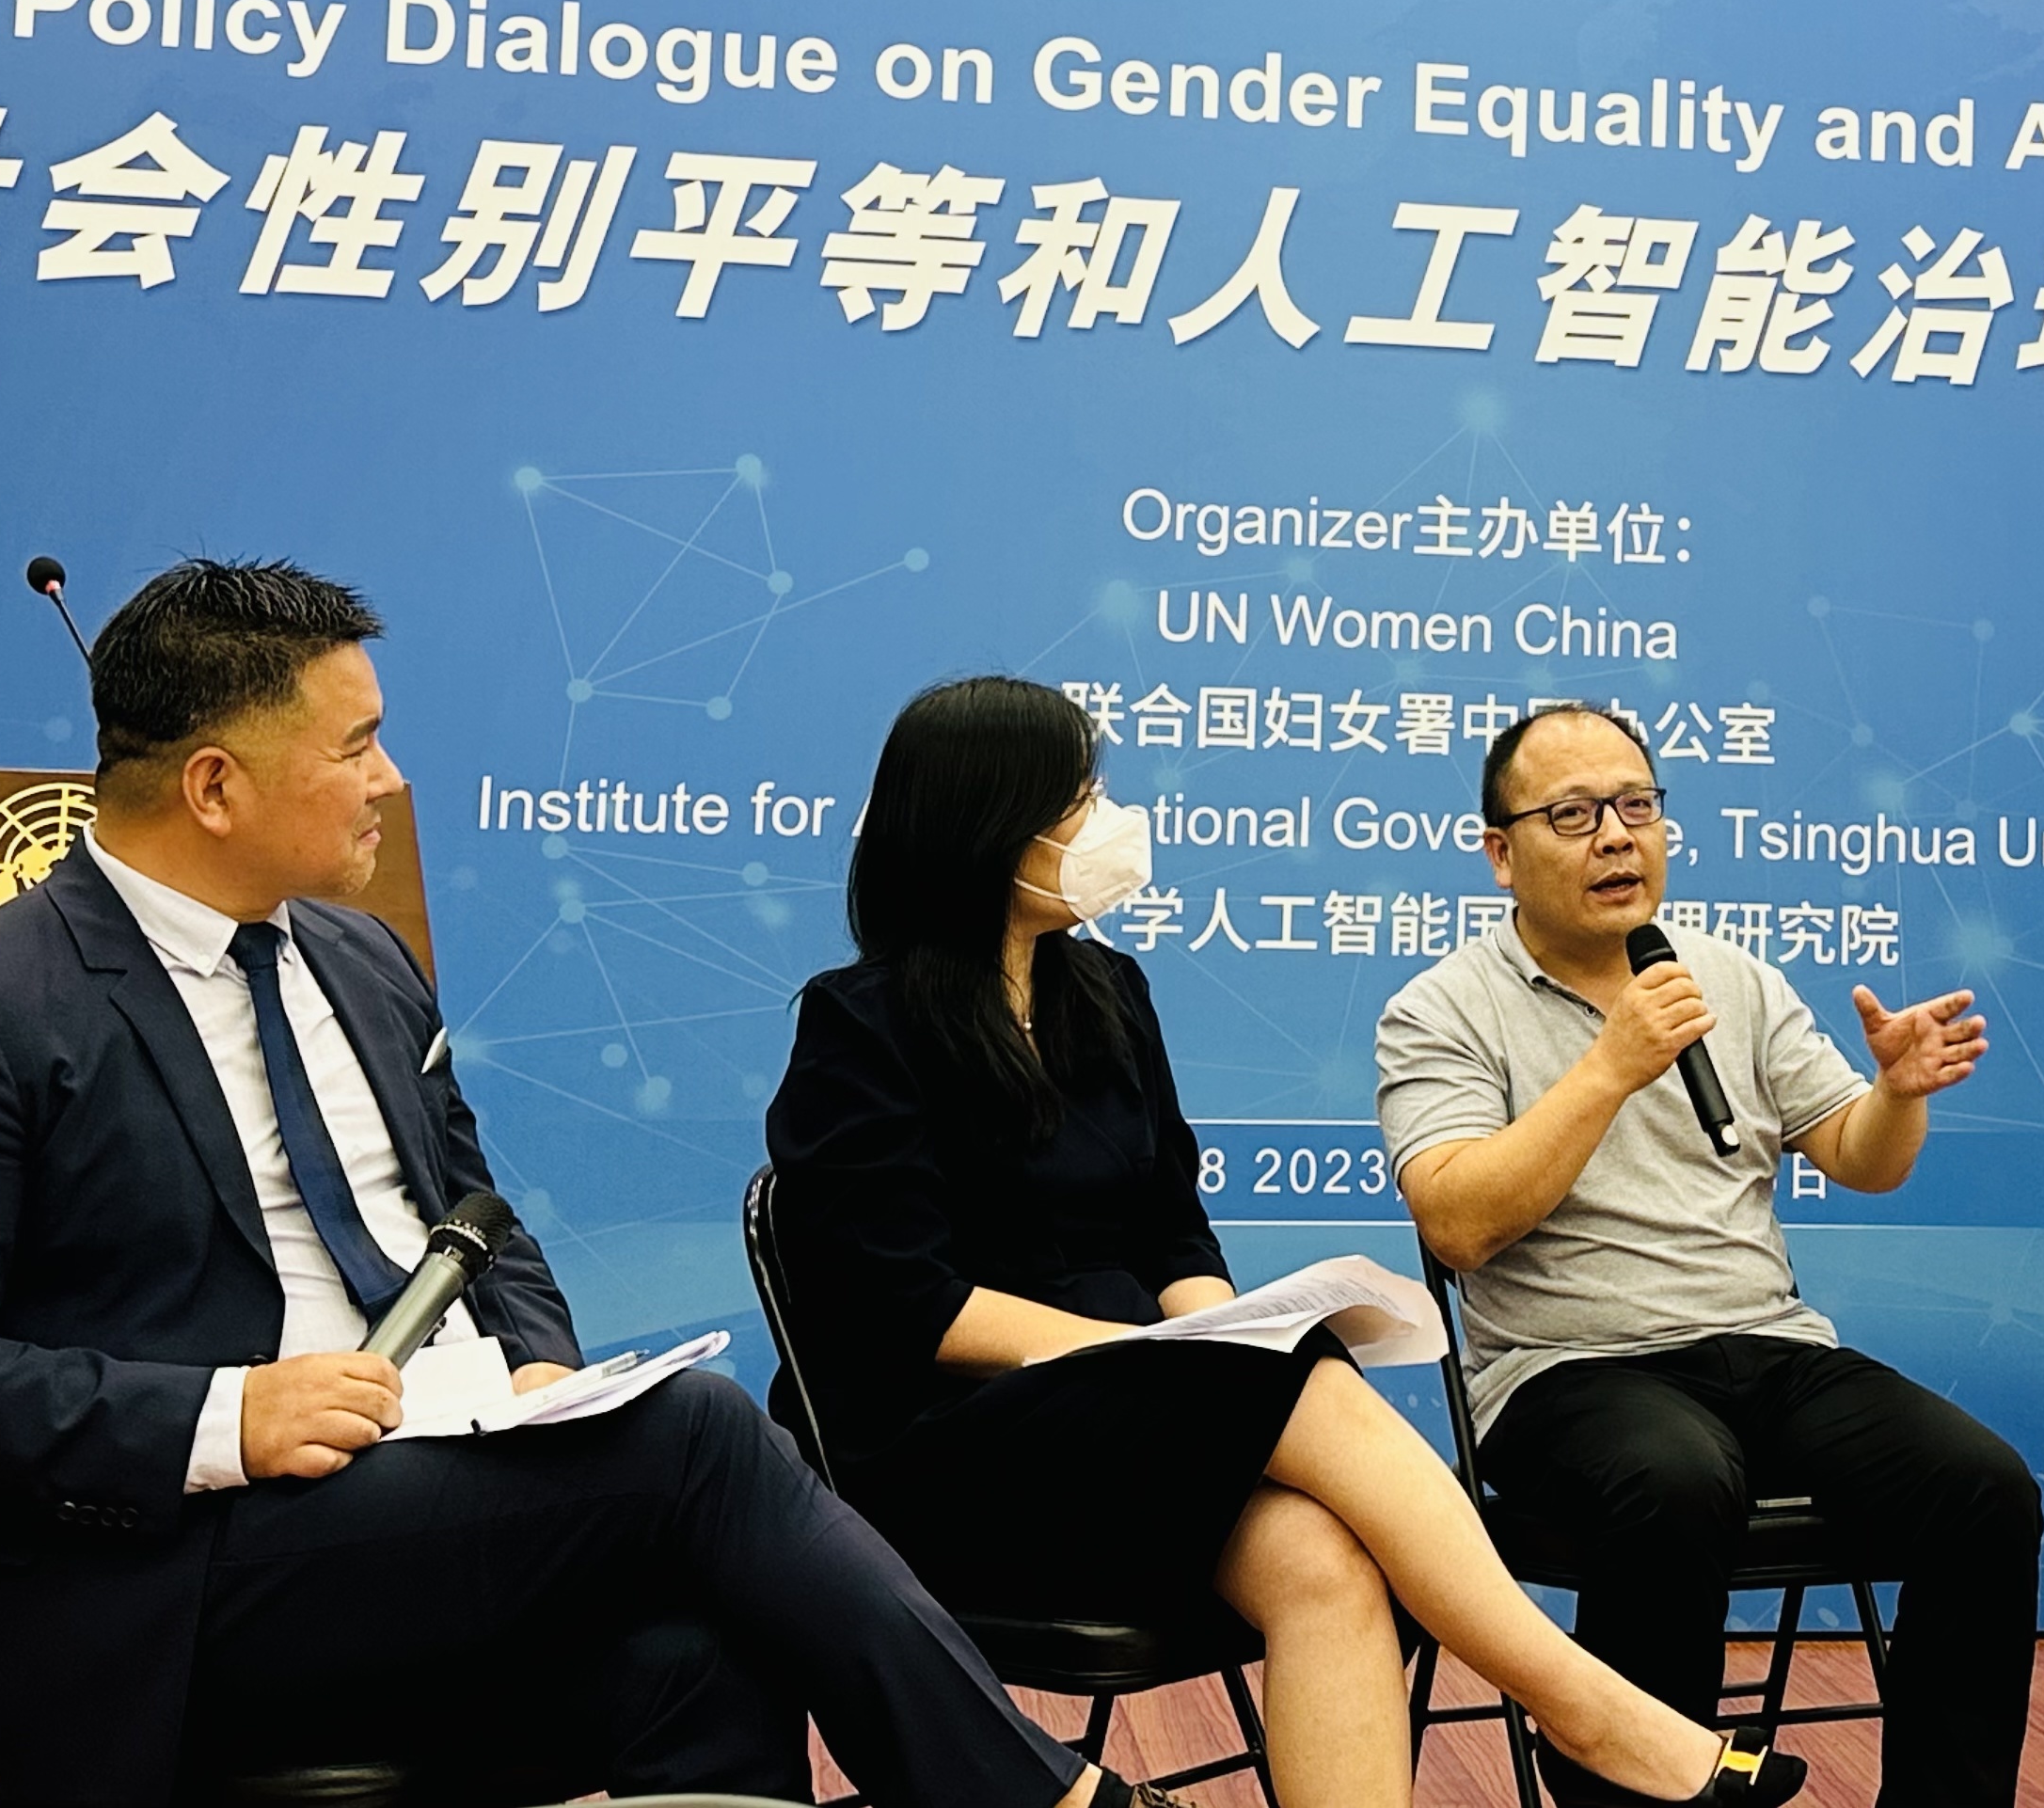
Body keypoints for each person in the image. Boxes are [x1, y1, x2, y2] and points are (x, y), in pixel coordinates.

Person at [0, 558, 1123, 1808]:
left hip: (420, 1493)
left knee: (710, 1655)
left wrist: (543, 1369)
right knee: (701, 1437)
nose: (391, 779)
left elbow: (475, 1216)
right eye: (356, 747)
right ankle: (1049, 1799)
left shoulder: (362, 960)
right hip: (168, 1574)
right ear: (214, 786)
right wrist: (228, 1415)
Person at [763, 674, 1801, 1808]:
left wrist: (1217, 1333)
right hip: (946, 1449)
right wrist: (1152, 1363)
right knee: (1285, 1371)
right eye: (1079, 801)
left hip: (1124, 1427)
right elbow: (907, 1306)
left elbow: (1170, 1227)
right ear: (989, 824)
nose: (1108, 821)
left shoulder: (1105, 991)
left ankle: (1591, 1718)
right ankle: (1592, 1713)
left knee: (1325, 1561)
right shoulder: (858, 1023)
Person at [1376, 702, 2039, 1808]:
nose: (1616, 837)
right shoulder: (1439, 1009)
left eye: (1636, 806)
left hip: (1766, 1348)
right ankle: (1637, 1787)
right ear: (1500, 853)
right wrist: (1609, 1065)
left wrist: (1895, 1093)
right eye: (1573, 814)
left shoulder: (1732, 978)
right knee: (1675, 1476)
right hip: (1565, 1371)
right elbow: (1456, 1223)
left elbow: (1860, 1158)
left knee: (1983, 1487)